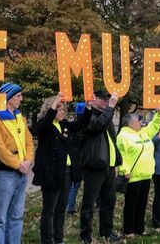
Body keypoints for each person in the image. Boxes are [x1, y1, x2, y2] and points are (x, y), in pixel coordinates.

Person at [33, 93, 91, 244]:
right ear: (50, 109)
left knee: (60, 209)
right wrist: (55, 102)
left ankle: (58, 239)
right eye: (59, 109)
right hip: (51, 174)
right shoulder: (44, 125)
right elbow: (44, 124)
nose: (62, 112)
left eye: (63, 109)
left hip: (66, 173)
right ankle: (47, 241)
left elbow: (82, 123)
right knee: (49, 210)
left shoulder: (65, 125)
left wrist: (88, 107)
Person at [0, 82, 34, 244]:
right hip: (5, 173)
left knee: (17, 215)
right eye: (18, 96)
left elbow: (29, 142)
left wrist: (28, 161)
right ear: (8, 97)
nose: (22, 99)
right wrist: (18, 164)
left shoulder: (19, 116)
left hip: (21, 172)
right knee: (1, 218)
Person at [79, 90, 121, 243]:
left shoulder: (106, 116)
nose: (105, 102)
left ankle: (106, 231)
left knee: (109, 200)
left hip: (108, 167)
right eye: (102, 99)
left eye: (107, 99)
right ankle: (85, 235)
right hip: (94, 166)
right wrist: (110, 108)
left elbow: (111, 138)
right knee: (89, 203)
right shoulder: (88, 115)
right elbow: (98, 126)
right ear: (93, 99)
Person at [116, 110, 160, 237]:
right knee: (131, 204)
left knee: (142, 204)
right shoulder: (123, 136)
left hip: (146, 175)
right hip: (132, 176)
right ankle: (129, 230)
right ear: (130, 124)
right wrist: (125, 170)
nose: (141, 123)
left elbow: (154, 126)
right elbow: (121, 155)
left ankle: (139, 228)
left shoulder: (143, 133)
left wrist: (159, 114)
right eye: (138, 121)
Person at [66, 102, 87, 214]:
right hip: (83, 158)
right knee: (86, 182)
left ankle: (70, 206)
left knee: (75, 183)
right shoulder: (84, 126)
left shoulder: (73, 125)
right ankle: (70, 207)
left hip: (75, 157)